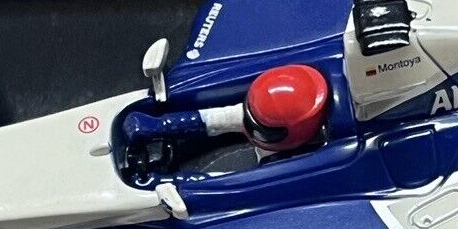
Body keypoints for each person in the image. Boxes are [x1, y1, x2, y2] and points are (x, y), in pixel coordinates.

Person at [122, 64, 332, 168]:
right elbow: (216, 119)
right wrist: (158, 125)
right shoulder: (260, 111)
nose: (247, 125)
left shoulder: (297, 155)